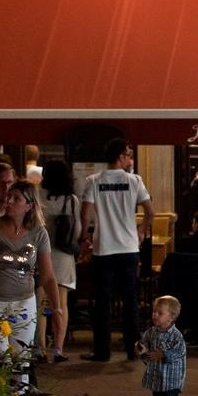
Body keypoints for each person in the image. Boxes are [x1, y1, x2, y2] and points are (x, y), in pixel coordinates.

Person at [0, 180, 65, 389]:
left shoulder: (38, 233)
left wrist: (57, 308)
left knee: (21, 361)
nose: (9, 201)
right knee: (0, 357)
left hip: (23, 303)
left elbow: (48, 276)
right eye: (9, 196)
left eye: (16, 198)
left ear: (29, 206)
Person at [79, 141, 154, 363]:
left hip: (104, 248)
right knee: (131, 298)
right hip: (129, 248)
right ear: (120, 157)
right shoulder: (134, 181)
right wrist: (140, 231)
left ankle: (102, 351)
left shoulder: (94, 180)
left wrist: (84, 236)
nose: (130, 160)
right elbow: (150, 211)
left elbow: (85, 214)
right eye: (128, 155)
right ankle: (133, 348)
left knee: (103, 300)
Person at [36, 162, 80, 363]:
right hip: (63, 256)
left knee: (42, 304)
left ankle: (40, 349)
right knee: (61, 303)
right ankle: (58, 349)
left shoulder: (37, 195)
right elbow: (77, 230)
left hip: (41, 254)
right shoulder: (71, 200)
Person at [139, 295, 187, 396]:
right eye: (154, 311)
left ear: (171, 317)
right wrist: (141, 350)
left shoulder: (176, 335)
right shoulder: (150, 332)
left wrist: (164, 354)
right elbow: (144, 346)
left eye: (160, 313)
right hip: (157, 378)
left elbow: (180, 352)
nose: (155, 315)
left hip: (171, 380)